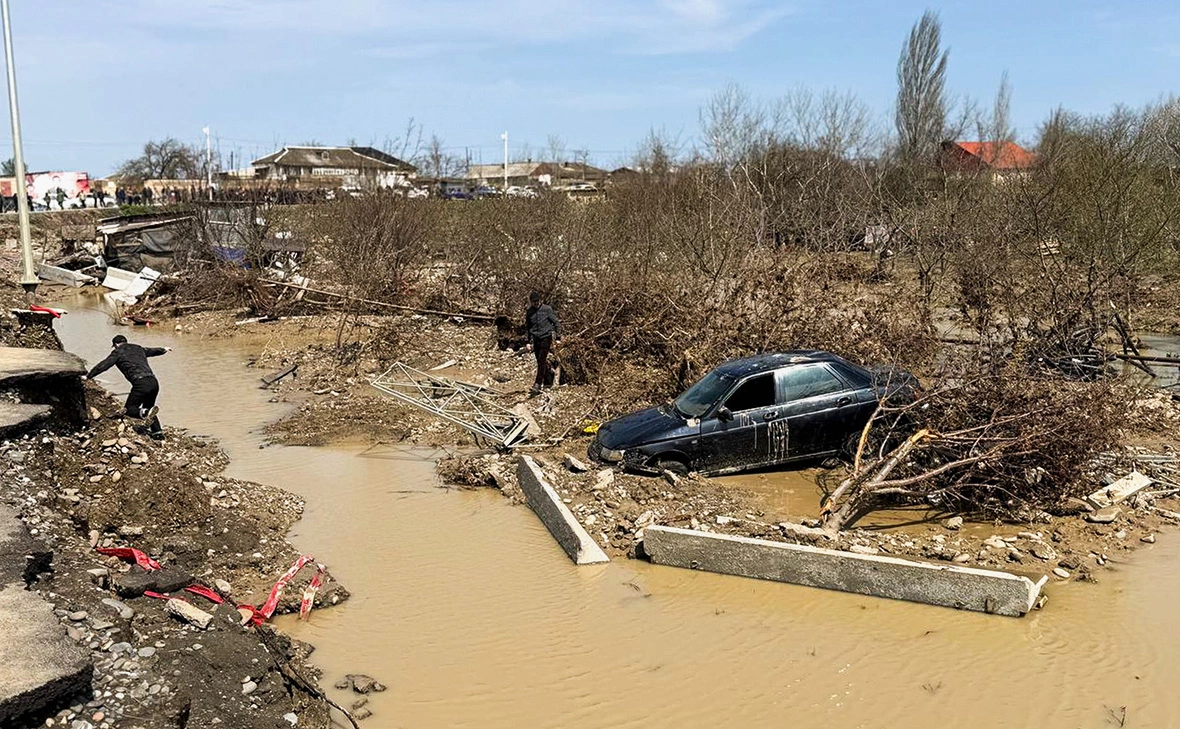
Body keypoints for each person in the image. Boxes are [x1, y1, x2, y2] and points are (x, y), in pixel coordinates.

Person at [84, 335, 171, 439]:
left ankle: (145, 413)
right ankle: (158, 434)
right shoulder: (138, 348)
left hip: (141, 383)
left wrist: (88, 376)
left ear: (115, 345)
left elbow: (103, 365)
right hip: (153, 382)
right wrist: (163, 349)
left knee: (129, 409)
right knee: (149, 408)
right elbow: (151, 351)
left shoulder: (118, 352)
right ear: (126, 342)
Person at [524, 291, 560, 395]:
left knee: (541, 359)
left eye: (537, 301)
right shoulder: (529, 312)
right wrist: (527, 342)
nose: (536, 303)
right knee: (539, 361)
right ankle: (547, 381)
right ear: (531, 302)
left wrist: (558, 337)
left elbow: (556, 323)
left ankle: (537, 384)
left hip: (546, 337)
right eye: (534, 302)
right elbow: (528, 328)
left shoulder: (547, 309)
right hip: (536, 338)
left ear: (541, 300)